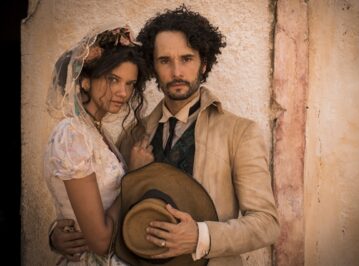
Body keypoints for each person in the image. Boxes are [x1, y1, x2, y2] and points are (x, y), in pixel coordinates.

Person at [51, 5, 280, 266]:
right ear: (153, 67)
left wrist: (201, 236)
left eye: (186, 59)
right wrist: (59, 235)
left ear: (203, 64)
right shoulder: (132, 135)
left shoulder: (240, 133)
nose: (176, 72)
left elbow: (267, 224)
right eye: (164, 61)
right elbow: (102, 205)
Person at [44, 23, 154, 265]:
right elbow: (100, 242)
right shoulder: (72, 134)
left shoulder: (95, 132)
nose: (123, 92)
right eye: (113, 79)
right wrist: (133, 176)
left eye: (129, 83)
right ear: (85, 81)